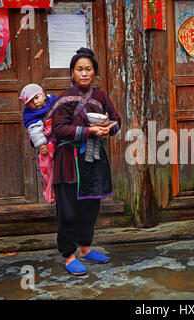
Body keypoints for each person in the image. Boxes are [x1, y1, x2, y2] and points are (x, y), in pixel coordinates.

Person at [50, 48, 121, 276]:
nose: (84, 73)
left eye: (88, 69)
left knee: (90, 208)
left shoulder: (100, 97)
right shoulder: (64, 98)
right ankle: (69, 255)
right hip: (69, 161)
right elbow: (59, 129)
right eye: (79, 69)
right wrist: (89, 130)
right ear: (72, 73)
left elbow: (116, 120)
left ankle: (85, 248)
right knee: (68, 211)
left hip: (93, 161)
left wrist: (110, 127)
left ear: (94, 72)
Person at [20, 84, 58, 203]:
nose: (35, 103)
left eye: (37, 98)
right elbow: (35, 131)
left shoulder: (53, 100)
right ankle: (50, 192)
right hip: (47, 145)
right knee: (47, 167)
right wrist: (41, 145)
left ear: (43, 95)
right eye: (30, 102)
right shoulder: (31, 115)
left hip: (60, 139)